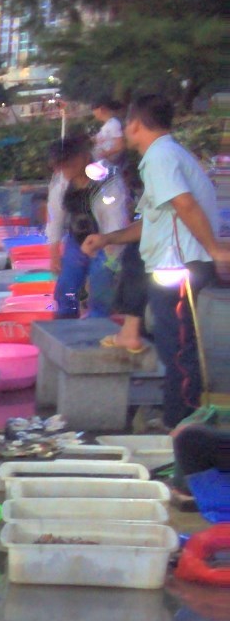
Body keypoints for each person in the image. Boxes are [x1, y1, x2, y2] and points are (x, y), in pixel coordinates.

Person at [82, 95, 230, 423]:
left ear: (134, 124)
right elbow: (151, 221)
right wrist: (108, 238)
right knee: (171, 346)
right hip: (171, 266)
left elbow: (184, 204)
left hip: (178, 268)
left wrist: (214, 247)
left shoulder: (160, 156)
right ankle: (176, 419)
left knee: (179, 351)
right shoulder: (166, 154)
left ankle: (182, 427)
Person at [45, 133, 128, 319]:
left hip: (108, 241)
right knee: (66, 286)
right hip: (77, 240)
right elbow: (55, 216)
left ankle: (97, 328)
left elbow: (116, 222)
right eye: (60, 167)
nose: (65, 171)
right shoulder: (61, 180)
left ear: (83, 157)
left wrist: (106, 250)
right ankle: (64, 322)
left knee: (100, 287)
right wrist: (54, 252)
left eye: (69, 166)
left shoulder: (109, 179)